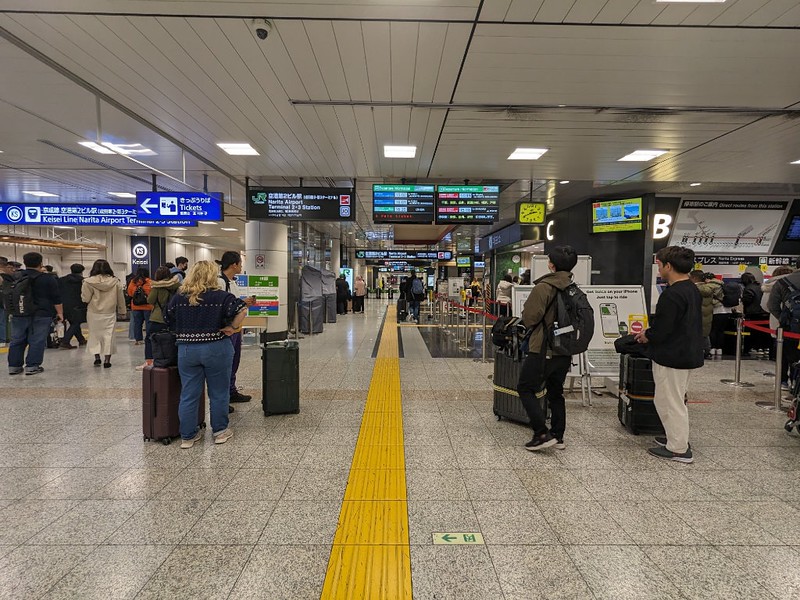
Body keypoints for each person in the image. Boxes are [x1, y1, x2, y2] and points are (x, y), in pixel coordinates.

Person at [164, 261, 247, 448]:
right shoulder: (222, 296)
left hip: (187, 350)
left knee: (189, 394)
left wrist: (183, 331)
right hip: (217, 347)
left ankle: (187, 436)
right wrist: (232, 328)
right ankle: (220, 432)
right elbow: (242, 309)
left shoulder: (179, 297)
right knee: (218, 392)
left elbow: (168, 319)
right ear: (212, 275)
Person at [634, 246, 703, 463]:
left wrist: (647, 335)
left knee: (669, 401)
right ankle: (675, 437)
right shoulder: (691, 289)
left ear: (668, 266)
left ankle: (678, 448)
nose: (658, 268)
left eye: (659, 264)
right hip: (686, 353)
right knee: (674, 398)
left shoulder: (672, 295)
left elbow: (663, 329)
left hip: (673, 356)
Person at [516, 246, 578, 451]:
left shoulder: (545, 287)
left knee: (525, 388)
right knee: (555, 391)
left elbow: (530, 317)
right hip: (565, 348)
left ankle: (541, 433)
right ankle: (558, 436)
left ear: (552, 265)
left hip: (543, 347)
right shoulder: (572, 287)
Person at [6, 252, 63, 376]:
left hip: (19, 312)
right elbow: (56, 298)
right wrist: (60, 313)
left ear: (25, 262)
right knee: (37, 340)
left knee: (17, 340)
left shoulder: (16, 276)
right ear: (40, 263)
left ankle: (14, 366)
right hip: (42, 313)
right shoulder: (48, 278)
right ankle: (32, 366)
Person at [217, 251, 255, 404]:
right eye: (240, 263)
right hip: (227, 329)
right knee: (225, 364)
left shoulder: (232, 281)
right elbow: (221, 306)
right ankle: (224, 397)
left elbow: (232, 303)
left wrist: (243, 302)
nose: (241, 266)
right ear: (234, 264)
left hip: (236, 328)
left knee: (234, 362)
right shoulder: (220, 282)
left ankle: (231, 391)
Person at [82, 259, 126, 368]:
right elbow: (121, 298)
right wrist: (122, 311)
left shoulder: (88, 282)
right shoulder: (115, 281)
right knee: (109, 335)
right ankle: (107, 360)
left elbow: (85, 299)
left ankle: (97, 358)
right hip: (109, 312)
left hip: (93, 312)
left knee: (94, 335)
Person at [139, 265, 182, 370]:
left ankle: (150, 361)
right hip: (172, 317)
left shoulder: (157, 286)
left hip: (158, 317)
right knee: (172, 339)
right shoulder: (177, 286)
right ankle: (172, 359)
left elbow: (150, 300)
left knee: (150, 339)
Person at [767, 264, 800, 390]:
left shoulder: (782, 281)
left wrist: (783, 318)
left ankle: (786, 382)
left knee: (788, 355)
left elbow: (772, 305)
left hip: (790, 328)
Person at [762, 266, 795, 364]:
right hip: (794, 320)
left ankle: (781, 376)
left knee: (779, 349)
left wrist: (780, 316)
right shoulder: (793, 283)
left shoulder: (770, 286)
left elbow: (765, 306)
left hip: (775, 320)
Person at [58, 263, 88, 349]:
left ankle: (81, 340)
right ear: (82, 271)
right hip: (78, 305)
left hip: (63, 304)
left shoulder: (61, 280)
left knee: (73, 322)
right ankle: (65, 341)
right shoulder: (83, 282)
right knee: (76, 322)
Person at [741, 271, 769, 355]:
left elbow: (748, 300)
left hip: (753, 313)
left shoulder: (748, 288)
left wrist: (743, 300)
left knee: (751, 333)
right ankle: (763, 348)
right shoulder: (760, 286)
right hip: (764, 312)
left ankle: (750, 348)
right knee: (763, 333)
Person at [690, 270, 716, 358]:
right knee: (705, 334)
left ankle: (698, 351)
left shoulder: (694, 289)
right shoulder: (708, 288)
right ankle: (707, 350)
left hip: (697, 315)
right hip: (707, 316)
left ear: (694, 278)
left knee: (696, 333)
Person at [127, 268, 153, 347]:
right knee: (148, 323)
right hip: (148, 306)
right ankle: (149, 338)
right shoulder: (150, 282)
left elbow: (130, 293)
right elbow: (151, 293)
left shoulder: (133, 282)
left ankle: (138, 340)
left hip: (136, 306)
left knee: (137, 323)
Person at [0, 256, 11, 348]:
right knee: (2, 321)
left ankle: (2, 340)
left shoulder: (3, 276)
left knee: (2, 321)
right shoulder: (9, 275)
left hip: (2, 301)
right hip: (5, 302)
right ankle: (3, 340)